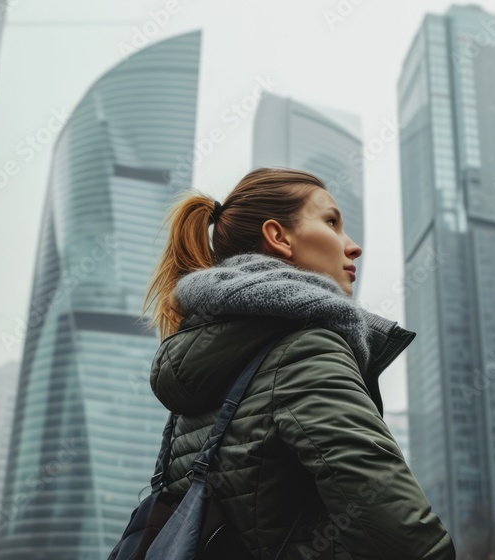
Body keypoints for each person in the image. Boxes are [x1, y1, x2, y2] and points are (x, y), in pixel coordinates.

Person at [141, 167, 455, 559]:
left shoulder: (211, 357)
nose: (353, 246)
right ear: (278, 237)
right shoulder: (304, 350)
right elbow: (405, 539)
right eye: (331, 222)